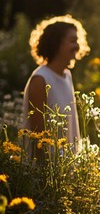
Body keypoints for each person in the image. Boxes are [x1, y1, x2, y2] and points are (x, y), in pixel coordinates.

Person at [22, 15, 90, 148]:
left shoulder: (67, 76)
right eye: (72, 41)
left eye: (77, 41)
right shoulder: (40, 79)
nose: (77, 46)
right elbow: (38, 136)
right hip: (47, 166)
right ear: (56, 43)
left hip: (67, 164)